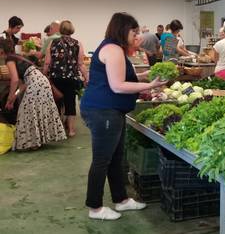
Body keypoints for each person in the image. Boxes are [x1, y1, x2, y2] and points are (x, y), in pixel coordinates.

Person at [80, 12, 167, 220]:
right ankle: (95, 207)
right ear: (123, 30)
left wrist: (145, 76)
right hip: (103, 111)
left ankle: (121, 200)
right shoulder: (113, 49)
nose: (137, 35)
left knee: (116, 158)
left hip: (110, 110)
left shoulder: (114, 48)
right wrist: (150, 85)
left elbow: (121, 76)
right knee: (102, 160)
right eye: (134, 31)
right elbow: (118, 86)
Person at [1, 37, 66, 150]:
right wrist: (14, 97)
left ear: (1, 50)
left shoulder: (9, 59)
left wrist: (9, 99)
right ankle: (38, 141)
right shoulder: (19, 57)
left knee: (27, 113)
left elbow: (15, 80)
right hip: (42, 82)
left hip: (35, 84)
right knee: (37, 111)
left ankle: (32, 143)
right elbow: (22, 85)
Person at [43, 20, 89, 137]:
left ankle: (56, 130)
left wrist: (43, 75)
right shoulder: (78, 43)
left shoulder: (53, 43)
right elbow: (80, 63)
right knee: (70, 103)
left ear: (60, 29)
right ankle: (71, 130)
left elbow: (47, 62)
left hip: (56, 77)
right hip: (71, 78)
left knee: (56, 102)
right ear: (72, 29)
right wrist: (86, 77)